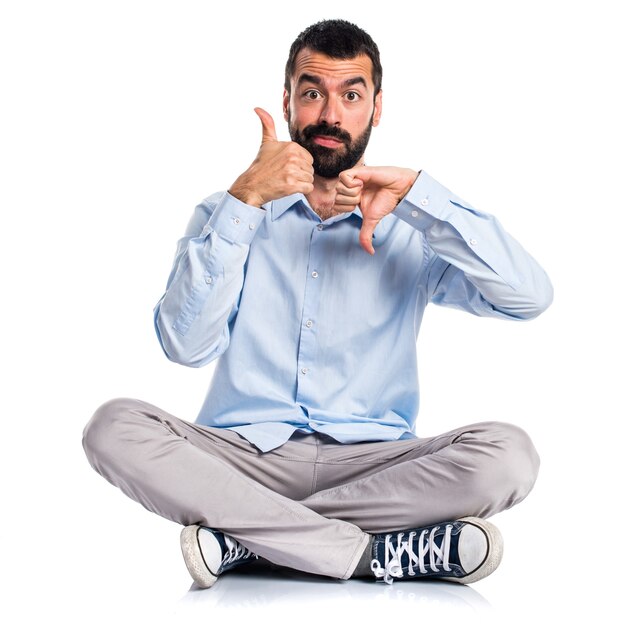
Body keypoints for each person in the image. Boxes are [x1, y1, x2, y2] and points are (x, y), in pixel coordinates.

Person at [82, 18, 553, 588]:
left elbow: (529, 297)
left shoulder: (413, 230)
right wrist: (247, 198)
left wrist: (422, 199)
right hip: (241, 460)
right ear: (288, 103)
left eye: (351, 95)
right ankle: (368, 556)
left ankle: (249, 541)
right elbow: (186, 346)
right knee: (113, 428)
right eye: (313, 94)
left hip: (376, 466)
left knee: (508, 455)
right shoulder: (226, 213)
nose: (330, 116)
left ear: (376, 109)